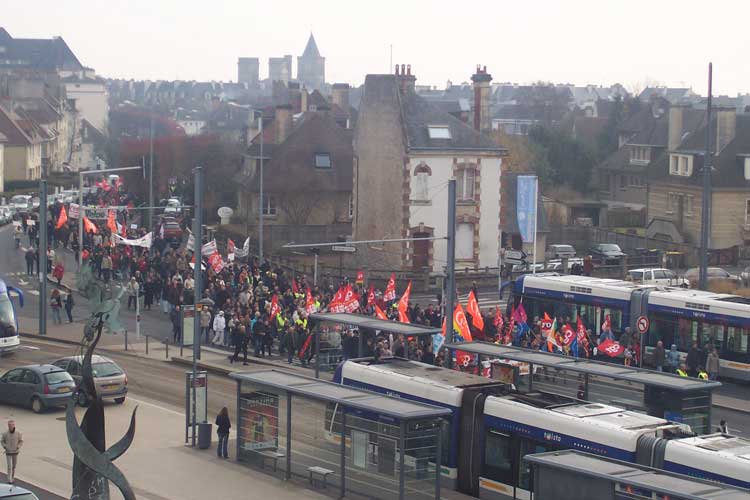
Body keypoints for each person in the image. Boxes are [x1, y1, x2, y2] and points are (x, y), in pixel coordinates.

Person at [2, 420, 23, 484]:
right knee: (9, 466)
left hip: (15, 452)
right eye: (9, 425)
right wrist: (5, 446)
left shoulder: (18, 433)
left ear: (14, 426)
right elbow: (2, 441)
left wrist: (18, 446)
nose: (10, 426)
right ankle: (9, 479)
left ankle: (12, 477)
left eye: (12, 425)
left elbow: (21, 441)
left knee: (14, 466)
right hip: (8, 452)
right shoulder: (5, 433)